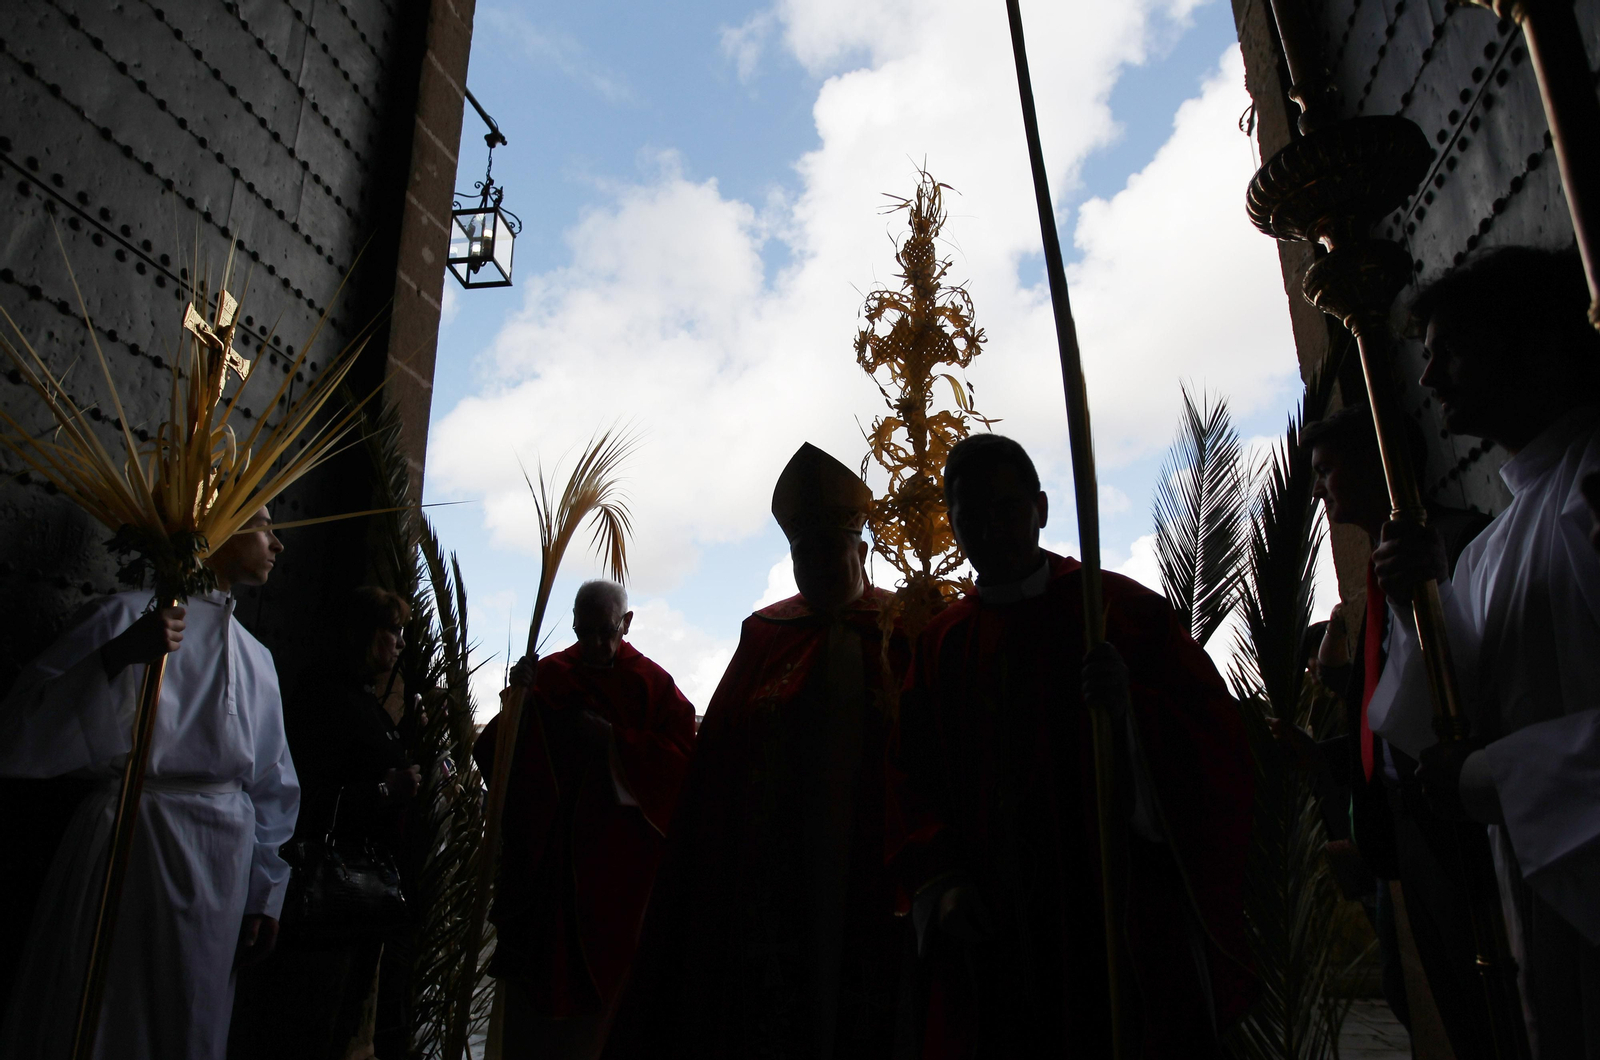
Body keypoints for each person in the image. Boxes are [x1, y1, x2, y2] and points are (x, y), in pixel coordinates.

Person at [890, 433, 1255, 1059]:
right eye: (969, 514)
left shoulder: (1119, 612)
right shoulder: (940, 645)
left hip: (1111, 910)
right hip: (996, 924)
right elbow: (912, 780)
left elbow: (1215, 741)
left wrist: (1132, 714)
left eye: (1007, 508)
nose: (990, 528)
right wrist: (942, 882)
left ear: (1043, 508)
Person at [604, 442, 910, 1060]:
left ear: (864, 551)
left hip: (882, 859)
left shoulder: (910, 627)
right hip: (779, 865)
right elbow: (719, 761)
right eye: (804, 552)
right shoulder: (768, 633)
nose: (817, 563)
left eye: (831, 549)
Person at [1370, 246, 1600, 1056]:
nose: (1430, 381)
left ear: (1537, 344)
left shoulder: (1591, 488)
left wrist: (1495, 775)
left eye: (1452, 352)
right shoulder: (1494, 544)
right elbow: (1449, 707)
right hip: (1542, 883)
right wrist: (1415, 607)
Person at [0, 507, 298, 1060]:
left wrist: (265, 891)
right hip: (132, 844)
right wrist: (117, 658)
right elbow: (18, 736)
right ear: (217, 526)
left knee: (189, 1023)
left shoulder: (258, 659)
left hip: (220, 872)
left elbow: (272, 785)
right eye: (261, 525)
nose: (276, 543)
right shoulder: (123, 617)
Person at [1273, 404, 1493, 1056]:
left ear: (1379, 466)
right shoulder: (1372, 584)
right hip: (1408, 837)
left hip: (1465, 827)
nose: (1319, 489)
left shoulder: (1458, 550)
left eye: (1328, 470)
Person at [474, 578, 696, 1060]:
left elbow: (682, 764)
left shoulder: (653, 685)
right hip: (547, 873)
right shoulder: (549, 675)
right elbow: (496, 752)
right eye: (584, 632)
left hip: (616, 876)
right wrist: (517, 702)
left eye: (606, 631)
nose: (595, 643)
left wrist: (615, 744)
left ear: (627, 623)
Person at [229, 586, 421, 1060]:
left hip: (354, 904)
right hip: (323, 899)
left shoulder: (362, 698)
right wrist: (383, 790)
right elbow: (301, 791)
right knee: (307, 1023)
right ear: (361, 634)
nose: (400, 643)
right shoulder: (324, 696)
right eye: (392, 631)